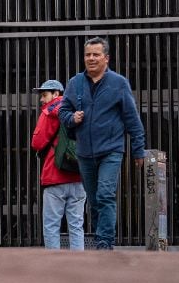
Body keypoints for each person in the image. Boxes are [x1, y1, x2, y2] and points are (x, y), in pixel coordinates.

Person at [58, 37, 146, 251]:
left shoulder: (118, 83)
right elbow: (63, 111)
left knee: (105, 194)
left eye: (96, 54)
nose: (91, 58)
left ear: (106, 58)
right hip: (84, 152)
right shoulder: (75, 83)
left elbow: (132, 120)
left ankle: (104, 243)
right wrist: (72, 119)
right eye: (88, 54)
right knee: (95, 200)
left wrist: (138, 150)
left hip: (111, 150)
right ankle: (100, 237)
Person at [30, 79, 86, 250]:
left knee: (51, 226)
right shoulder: (79, 112)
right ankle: (79, 266)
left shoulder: (48, 113)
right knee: (76, 226)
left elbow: (37, 143)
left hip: (55, 177)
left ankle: (53, 268)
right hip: (78, 176)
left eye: (45, 95)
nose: (42, 99)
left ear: (57, 94)